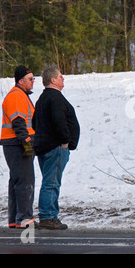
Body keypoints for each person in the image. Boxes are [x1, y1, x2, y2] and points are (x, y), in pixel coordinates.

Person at [32, 66, 80, 230]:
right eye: (60, 76)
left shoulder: (42, 99)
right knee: (51, 183)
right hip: (55, 147)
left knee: (49, 181)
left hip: (44, 146)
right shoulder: (55, 98)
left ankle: (49, 215)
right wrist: (65, 141)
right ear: (52, 80)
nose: (63, 79)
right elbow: (59, 120)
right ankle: (48, 217)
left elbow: (34, 123)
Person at [0, 65, 36, 229]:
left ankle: (15, 219)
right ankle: (24, 217)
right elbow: (18, 120)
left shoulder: (20, 95)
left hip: (14, 142)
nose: (33, 81)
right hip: (17, 143)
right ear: (20, 81)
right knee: (24, 181)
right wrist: (26, 140)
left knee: (17, 181)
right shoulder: (16, 96)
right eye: (30, 79)